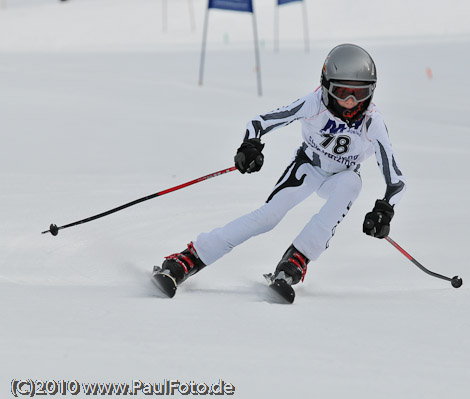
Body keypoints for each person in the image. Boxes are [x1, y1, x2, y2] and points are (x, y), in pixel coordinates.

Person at [157, 43, 406, 296]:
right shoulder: (314, 103)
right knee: (267, 218)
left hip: (341, 176)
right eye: (342, 92)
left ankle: (297, 259)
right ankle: (189, 258)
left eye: (359, 94)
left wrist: (384, 211)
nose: (351, 102)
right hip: (307, 168)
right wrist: (250, 146)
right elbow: (259, 123)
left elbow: (396, 180)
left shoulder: (373, 122)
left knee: (352, 184)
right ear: (327, 86)